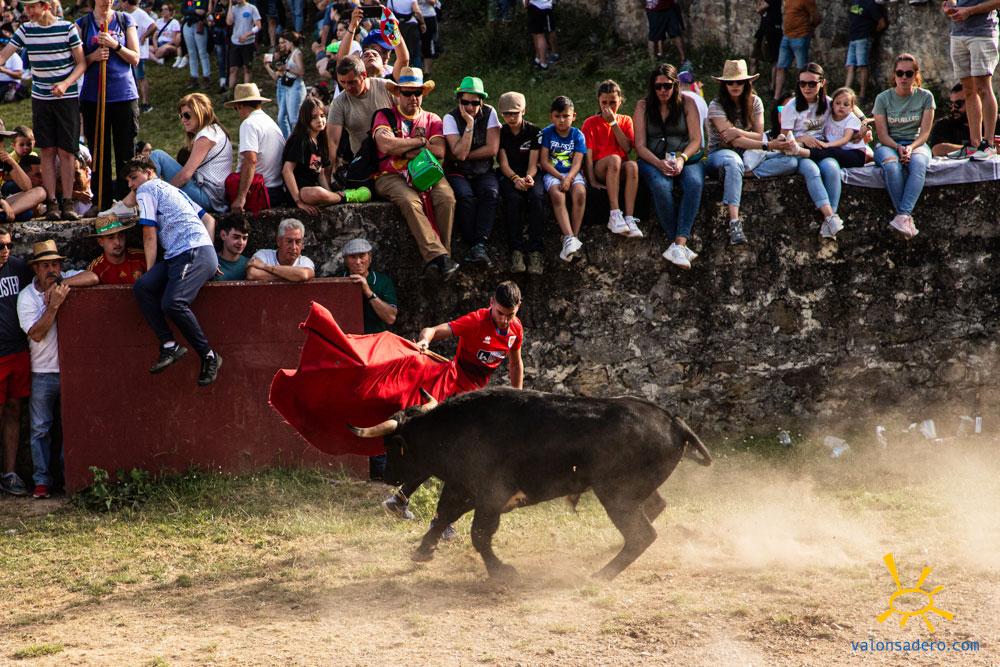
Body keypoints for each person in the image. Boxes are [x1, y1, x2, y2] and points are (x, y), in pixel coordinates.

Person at [382, 280, 524, 532]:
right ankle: (440, 521)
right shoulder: (475, 321)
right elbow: (432, 330)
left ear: (518, 308)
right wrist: (424, 342)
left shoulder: (516, 329)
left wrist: (518, 398)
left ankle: (401, 500)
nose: (504, 320)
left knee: (448, 455)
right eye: (500, 313)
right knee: (462, 459)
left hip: (476, 400)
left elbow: (515, 363)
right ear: (491, 303)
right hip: (454, 392)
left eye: (509, 314)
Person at [127, 156, 222, 386]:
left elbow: (149, 233)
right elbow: (209, 220)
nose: (131, 184)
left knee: (173, 303)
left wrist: (150, 270)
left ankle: (209, 355)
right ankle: (169, 345)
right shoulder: (173, 190)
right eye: (128, 181)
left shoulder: (147, 188)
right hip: (188, 253)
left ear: (149, 172)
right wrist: (209, 251)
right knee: (143, 287)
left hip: (191, 252)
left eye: (133, 177)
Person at [17, 240, 98, 499]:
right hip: (42, 371)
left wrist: (61, 286)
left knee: (72, 425)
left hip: (70, 371)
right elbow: (36, 334)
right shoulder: (26, 297)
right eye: (45, 266)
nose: (52, 269)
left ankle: (69, 478)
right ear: (36, 269)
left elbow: (93, 277)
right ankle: (41, 481)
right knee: (40, 429)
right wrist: (53, 305)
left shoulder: (65, 280)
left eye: (55, 264)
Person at [0, 0, 87, 222]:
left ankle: (67, 200)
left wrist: (65, 84)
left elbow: (81, 63)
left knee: (67, 151)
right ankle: (52, 202)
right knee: (47, 150)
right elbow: (5, 54)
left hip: (66, 97)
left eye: (32, 7)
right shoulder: (26, 29)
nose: (27, 11)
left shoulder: (66, 28)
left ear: (45, 6)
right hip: (41, 98)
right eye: (26, 7)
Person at [372, 67, 459, 279]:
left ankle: (441, 258)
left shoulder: (432, 119)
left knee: (447, 198)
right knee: (410, 201)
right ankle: (440, 257)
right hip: (390, 174)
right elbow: (385, 145)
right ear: (397, 93)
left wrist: (402, 147)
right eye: (407, 92)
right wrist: (420, 141)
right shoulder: (384, 116)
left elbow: (439, 151)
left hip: (426, 171)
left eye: (417, 92)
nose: (413, 97)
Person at [634, 63, 705, 269]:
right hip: (652, 159)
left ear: (675, 85)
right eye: (658, 86)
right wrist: (658, 163)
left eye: (667, 86)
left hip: (685, 157)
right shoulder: (643, 107)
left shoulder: (688, 103)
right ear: (652, 87)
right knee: (661, 186)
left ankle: (678, 244)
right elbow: (640, 146)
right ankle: (678, 245)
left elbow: (696, 140)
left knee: (694, 183)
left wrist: (682, 159)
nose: (663, 90)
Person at [765, 62, 846, 240]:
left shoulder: (828, 103)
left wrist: (863, 122)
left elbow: (850, 106)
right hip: (799, 151)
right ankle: (830, 217)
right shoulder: (791, 107)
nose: (807, 88)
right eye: (802, 83)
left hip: (821, 149)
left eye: (812, 83)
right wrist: (801, 138)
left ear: (822, 83)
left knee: (832, 167)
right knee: (812, 170)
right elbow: (784, 138)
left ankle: (830, 221)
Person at [76, 0, 141, 212]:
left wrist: (115, 45)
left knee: (126, 151)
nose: (108, 1)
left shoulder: (124, 20)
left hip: (124, 95)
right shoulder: (82, 24)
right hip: (93, 97)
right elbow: (76, 61)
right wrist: (93, 57)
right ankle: (100, 202)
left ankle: (126, 202)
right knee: (98, 151)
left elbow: (135, 58)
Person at [873, 53, 935, 240]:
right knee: (891, 165)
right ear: (894, 75)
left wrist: (911, 147)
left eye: (909, 73)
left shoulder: (926, 97)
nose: (904, 78)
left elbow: (925, 133)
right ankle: (905, 217)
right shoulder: (883, 98)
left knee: (919, 165)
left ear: (915, 75)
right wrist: (898, 147)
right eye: (900, 73)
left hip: (916, 143)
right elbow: (882, 135)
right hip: (889, 143)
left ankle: (902, 215)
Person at [705, 59, 767, 245]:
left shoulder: (755, 102)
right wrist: (766, 144)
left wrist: (738, 131)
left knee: (792, 162)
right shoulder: (716, 105)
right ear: (724, 84)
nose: (735, 85)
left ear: (747, 83)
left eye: (739, 81)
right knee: (733, 162)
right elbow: (731, 140)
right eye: (730, 82)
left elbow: (759, 135)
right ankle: (734, 222)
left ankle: (740, 174)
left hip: (750, 153)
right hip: (721, 153)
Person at [444, 76, 501, 266]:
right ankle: (472, 244)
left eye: (475, 103)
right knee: (465, 197)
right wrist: (469, 124)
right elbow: (458, 154)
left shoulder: (490, 113)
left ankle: (480, 244)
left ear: (481, 102)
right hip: (457, 171)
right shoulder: (450, 118)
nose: (470, 107)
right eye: (465, 102)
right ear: (459, 101)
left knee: (490, 193)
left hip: (483, 169)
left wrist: (464, 154)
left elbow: (492, 149)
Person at [281, 96, 371, 216]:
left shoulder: (320, 140)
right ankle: (348, 196)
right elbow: (287, 170)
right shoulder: (300, 139)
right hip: (299, 192)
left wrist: (329, 194)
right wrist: (298, 201)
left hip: (313, 189)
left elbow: (320, 172)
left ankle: (339, 196)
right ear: (305, 119)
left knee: (320, 192)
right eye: (314, 117)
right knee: (317, 193)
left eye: (322, 116)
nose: (320, 120)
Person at [151, 93, 233, 213]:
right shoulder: (215, 130)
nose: (183, 120)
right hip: (215, 197)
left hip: (208, 198)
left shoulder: (206, 136)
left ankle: (150, 200)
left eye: (187, 115)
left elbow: (185, 176)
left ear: (200, 113)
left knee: (157, 155)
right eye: (181, 116)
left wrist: (164, 195)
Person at [582, 79, 641, 238]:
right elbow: (587, 155)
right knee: (614, 159)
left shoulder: (625, 120)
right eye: (604, 103)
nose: (608, 107)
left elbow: (627, 148)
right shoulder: (590, 123)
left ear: (620, 101)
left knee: (632, 166)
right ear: (599, 102)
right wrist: (592, 180)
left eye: (613, 102)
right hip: (601, 167)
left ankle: (629, 217)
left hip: (619, 168)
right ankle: (615, 214)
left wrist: (613, 123)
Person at [496, 91, 545, 275]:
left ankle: (536, 251)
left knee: (537, 198)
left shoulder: (534, 132)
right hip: (509, 174)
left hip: (530, 173)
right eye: (506, 114)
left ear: (523, 111)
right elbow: (503, 163)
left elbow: (534, 163)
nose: (511, 117)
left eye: (515, 113)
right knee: (512, 200)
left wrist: (529, 177)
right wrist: (515, 179)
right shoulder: (500, 133)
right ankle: (516, 251)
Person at [943, 0, 999, 159]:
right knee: (967, 90)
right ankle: (975, 144)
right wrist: (949, 5)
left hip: (982, 33)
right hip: (957, 34)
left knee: (983, 88)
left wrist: (970, 11)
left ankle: (988, 144)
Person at [0, 227, 32, 497]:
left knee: (14, 410)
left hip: (19, 351)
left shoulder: (19, 268)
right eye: (1, 246)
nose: (5, 251)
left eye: (9, 245)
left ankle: (10, 473)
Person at [225, 83, 287, 213]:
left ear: (240, 106)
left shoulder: (248, 124)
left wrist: (241, 197)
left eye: (236, 109)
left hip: (262, 190)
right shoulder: (270, 122)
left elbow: (250, 160)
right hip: (277, 188)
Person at [539, 95, 587, 262]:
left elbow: (578, 162)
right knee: (557, 195)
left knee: (580, 193)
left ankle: (573, 237)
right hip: (553, 173)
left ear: (573, 116)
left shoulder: (577, 135)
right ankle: (568, 237)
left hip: (572, 172)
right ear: (551, 117)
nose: (561, 120)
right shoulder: (547, 133)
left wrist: (569, 178)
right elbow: (544, 161)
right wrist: (560, 177)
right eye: (557, 116)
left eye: (566, 116)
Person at [789, 86, 869, 169]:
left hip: (855, 155)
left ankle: (799, 151)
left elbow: (845, 139)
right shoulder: (829, 114)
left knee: (830, 151)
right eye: (838, 103)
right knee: (818, 145)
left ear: (851, 108)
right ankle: (795, 146)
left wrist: (827, 145)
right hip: (837, 149)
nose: (841, 106)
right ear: (832, 104)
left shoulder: (851, 119)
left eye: (846, 104)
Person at [334, 237, 397, 334]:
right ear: (345, 260)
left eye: (362, 256)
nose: (358, 262)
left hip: (374, 338)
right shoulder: (337, 281)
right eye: (353, 257)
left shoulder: (383, 281)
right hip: (346, 338)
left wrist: (368, 292)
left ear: (370, 257)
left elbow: (390, 318)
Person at [772, 0, 819, 103]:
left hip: (800, 36)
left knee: (802, 69)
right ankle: (776, 98)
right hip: (787, 36)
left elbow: (815, 17)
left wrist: (809, 30)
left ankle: (800, 96)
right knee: (780, 67)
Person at [264, 31, 307, 138]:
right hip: (289, 87)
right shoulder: (291, 54)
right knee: (290, 118)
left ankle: (298, 141)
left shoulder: (297, 53)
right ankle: (291, 141)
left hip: (296, 87)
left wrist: (286, 68)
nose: (284, 44)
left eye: (286, 42)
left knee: (294, 118)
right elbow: (280, 74)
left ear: (291, 42)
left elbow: (301, 71)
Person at [246, 217, 316, 282]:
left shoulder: (305, 261)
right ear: (278, 241)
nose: (294, 247)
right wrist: (292, 277)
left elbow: (304, 275)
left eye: (298, 242)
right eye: (289, 241)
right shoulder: (263, 255)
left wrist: (265, 266)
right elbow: (252, 274)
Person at [844, 0, 887, 104]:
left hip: (863, 38)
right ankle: (845, 93)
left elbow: (882, 23)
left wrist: (871, 33)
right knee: (850, 66)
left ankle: (862, 95)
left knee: (862, 66)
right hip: (853, 38)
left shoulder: (871, 4)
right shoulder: (855, 2)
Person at [86, 218, 146, 284]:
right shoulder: (96, 268)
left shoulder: (142, 257)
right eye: (111, 238)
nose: (117, 242)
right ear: (100, 242)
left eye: (121, 236)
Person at [122, 0, 156, 113]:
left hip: (138, 51)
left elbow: (153, 26)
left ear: (127, 2)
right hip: (129, 51)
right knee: (132, 77)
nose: (121, 5)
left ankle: (146, 103)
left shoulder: (140, 13)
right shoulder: (125, 14)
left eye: (122, 2)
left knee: (140, 76)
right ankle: (134, 101)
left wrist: (144, 36)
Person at [0, 150, 47, 223]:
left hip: (3, 205)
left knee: (40, 192)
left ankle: (5, 214)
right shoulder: (10, 186)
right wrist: (2, 202)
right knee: (27, 214)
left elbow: (27, 188)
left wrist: (12, 162)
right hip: (2, 202)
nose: (42, 179)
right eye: (38, 175)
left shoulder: (3, 160)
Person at [226, 0, 261, 93]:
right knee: (233, 69)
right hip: (235, 42)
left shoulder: (252, 8)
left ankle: (247, 92)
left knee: (247, 68)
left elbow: (258, 26)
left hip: (248, 43)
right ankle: (231, 92)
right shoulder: (233, 9)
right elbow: (229, 22)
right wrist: (230, 4)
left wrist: (247, 34)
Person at [643, 0, 690, 68]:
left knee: (676, 33)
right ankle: (653, 62)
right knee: (654, 36)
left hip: (669, 6)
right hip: (654, 8)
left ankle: (683, 59)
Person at [931, 83, 972, 156]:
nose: (953, 109)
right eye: (951, 104)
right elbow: (937, 150)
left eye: (958, 104)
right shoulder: (944, 124)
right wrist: (975, 149)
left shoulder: (990, 124)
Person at [752, 0, 783, 94]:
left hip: (773, 31)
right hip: (763, 30)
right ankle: (750, 84)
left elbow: (760, 8)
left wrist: (760, 6)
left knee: (774, 60)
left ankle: (772, 87)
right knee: (754, 58)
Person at [180, 0, 211, 89]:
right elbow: (183, 10)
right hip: (188, 24)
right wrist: (194, 11)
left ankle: (206, 76)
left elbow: (202, 12)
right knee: (191, 52)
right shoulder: (188, 1)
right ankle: (194, 77)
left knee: (202, 52)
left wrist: (190, 11)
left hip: (199, 24)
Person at [385, 0, 423, 69]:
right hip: (411, 26)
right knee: (415, 51)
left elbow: (388, 14)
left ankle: (399, 70)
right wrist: (422, 23)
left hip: (397, 27)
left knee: (399, 51)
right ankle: (417, 70)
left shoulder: (391, 0)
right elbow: (417, 12)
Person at [525, 0, 559, 70]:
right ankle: (538, 57)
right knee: (537, 33)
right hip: (546, 6)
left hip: (537, 6)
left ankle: (543, 63)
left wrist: (526, 3)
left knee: (539, 35)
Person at [417, 0, 440, 75]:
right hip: (414, 18)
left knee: (427, 43)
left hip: (429, 17)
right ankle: (416, 69)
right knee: (415, 44)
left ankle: (427, 71)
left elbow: (433, 2)